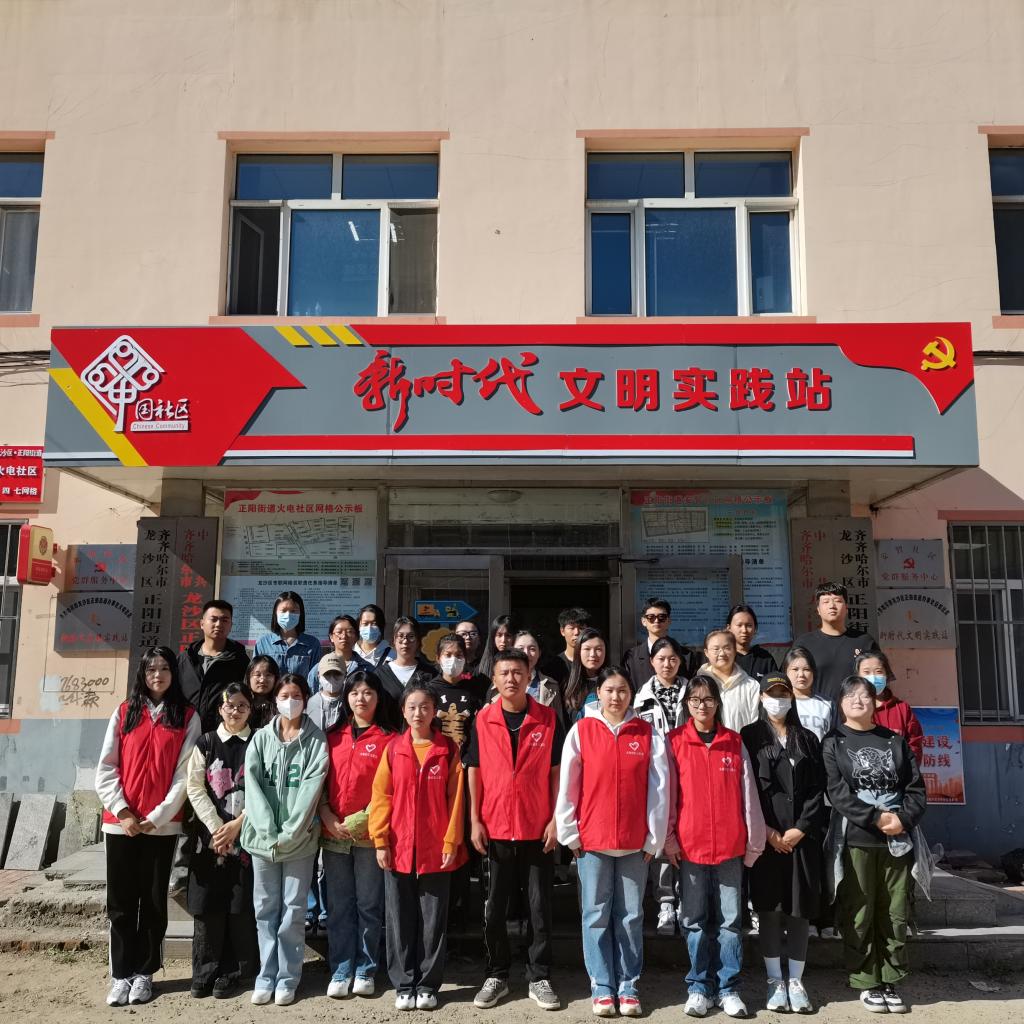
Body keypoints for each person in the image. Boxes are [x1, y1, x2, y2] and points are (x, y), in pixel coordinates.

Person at [556, 667, 669, 1018]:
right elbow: (568, 785)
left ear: (631, 694)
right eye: (609, 690)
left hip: (635, 842)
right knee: (595, 915)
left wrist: (654, 838)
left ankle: (628, 985)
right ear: (599, 693)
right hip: (592, 840)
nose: (616, 697)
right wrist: (569, 833)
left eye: (622, 690)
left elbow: (660, 789)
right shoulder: (582, 730)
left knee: (631, 916)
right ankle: (602, 986)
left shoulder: (647, 733)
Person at [95, 646, 201, 1007]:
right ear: (142, 673)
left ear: (174, 674)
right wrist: (123, 812)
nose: (158, 675)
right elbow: (106, 767)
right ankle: (120, 974)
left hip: (161, 826)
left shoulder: (186, 716)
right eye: (151, 669)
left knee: (153, 900)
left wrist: (157, 817)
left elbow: (184, 775)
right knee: (121, 901)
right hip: (121, 824)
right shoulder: (125, 712)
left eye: (165, 668)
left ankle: (145, 972)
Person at [822, 675, 927, 1015]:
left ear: (875, 702)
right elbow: (837, 792)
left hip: (897, 841)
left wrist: (903, 819)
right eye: (850, 695)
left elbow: (915, 788)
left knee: (895, 912)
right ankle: (866, 980)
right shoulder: (834, 742)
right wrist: (876, 818)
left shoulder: (894, 741)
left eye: (865, 695)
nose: (858, 700)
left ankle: (891, 979)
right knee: (860, 910)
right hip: (856, 839)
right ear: (841, 703)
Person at [467, 649, 564, 1012]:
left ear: (529, 676)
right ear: (494, 679)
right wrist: (475, 820)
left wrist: (556, 818)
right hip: (495, 826)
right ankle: (497, 974)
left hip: (537, 827)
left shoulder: (547, 718)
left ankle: (539, 976)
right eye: (504, 673)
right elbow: (474, 770)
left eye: (518, 672)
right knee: (495, 908)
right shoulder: (483, 719)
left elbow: (557, 772)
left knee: (539, 907)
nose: (511, 678)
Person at [663, 674, 765, 1020]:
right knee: (693, 919)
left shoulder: (733, 742)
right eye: (695, 700)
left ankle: (728, 988)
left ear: (718, 703)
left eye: (708, 699)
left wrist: (753, 842)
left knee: (730, 921)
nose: (702, 706)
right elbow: (667, 795)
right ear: (687, 704)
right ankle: (698, 986)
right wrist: (668, 838)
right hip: (689, 846)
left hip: (729, 846)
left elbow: (748, 796)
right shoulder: (675, 741)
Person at [370, 681, 467, 1011]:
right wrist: (380, 840)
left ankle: (427, 984)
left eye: (425, 707)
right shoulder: (393, 749)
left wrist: (451, 840)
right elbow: (381, 797)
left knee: (433, 919)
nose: (418, 713)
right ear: (403, 711)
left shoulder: (447, 749)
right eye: (412, 707)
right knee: (399, 917)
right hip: (398, 846)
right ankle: (403, 983)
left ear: (434, 711)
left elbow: (456, 800)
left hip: (436, 848)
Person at [740, 673, 827, 1014]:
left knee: (798, 909)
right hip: (766, 839)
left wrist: (801, 829)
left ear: (791, 698)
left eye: (783, 693)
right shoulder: (750, 736)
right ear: (761, 698)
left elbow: (818, 789)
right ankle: (775, 980)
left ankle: (796, 981)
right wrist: (768, 832)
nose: (778, 699)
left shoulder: (807, 738)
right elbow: (747, 788)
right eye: (772, 693)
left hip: (801, 840)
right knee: (770, 909)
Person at [241, 672, 328, 1006]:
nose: (290, 701)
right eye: (284, 696)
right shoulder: (260, 738)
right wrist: (267, 830)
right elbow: (252, 786)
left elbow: (311, 789)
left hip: (300, 840)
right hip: (262, 841)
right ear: (275, 699)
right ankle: (266, 975)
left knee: (293, 910)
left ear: (306, 699)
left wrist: (291, 831)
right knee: (265, 909)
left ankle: (288, 978)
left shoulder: (317, 741)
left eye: (296, 695)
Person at [319, 670, 398, 999]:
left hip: (369, 836)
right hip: (332, 833)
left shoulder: (389, 739)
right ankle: (341, 968)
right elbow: (319, 783)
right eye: (354, 692)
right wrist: (327, 815)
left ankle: (366, 968)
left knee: (368, 905)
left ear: (378, 698)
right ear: (346, 698)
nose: (360, 699)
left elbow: (390, 790)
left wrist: (362, 821)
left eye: (367, 693)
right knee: (339, 905)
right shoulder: (331, 737)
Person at [186, 682, 258, 1000]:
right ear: (220, 709)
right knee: (207, 904)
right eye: (230, 705)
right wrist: (218, 828)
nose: (235, 711)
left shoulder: (258, 741)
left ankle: (233, 972)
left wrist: (238, 825)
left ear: (250, 709)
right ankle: (204, 971)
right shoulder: (206, 742)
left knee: (239, 906)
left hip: (246, 834)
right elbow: (194, 787)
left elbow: (265, 787)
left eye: (242, 705)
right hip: (210, 837)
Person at [633, 635, 689, 935]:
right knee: (659, 832)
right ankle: (666, 901)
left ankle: (686, 899)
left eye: (672, 659)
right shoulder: (640, 698)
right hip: (656, 772)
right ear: (652, 662)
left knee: (686, 832)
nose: (667, 664)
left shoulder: (692, 691)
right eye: (661, 659)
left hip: (689, 769)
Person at [793, 583, 880, 703]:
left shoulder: (864, 641)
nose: (832, 606)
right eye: (826, 602)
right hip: (816, 710)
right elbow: (791, 680)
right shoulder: (804, 643)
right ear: (818, 609)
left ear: (846, 607)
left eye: (838, 601)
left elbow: (879, 678)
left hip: (856, 708)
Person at [179, 600, 251, 732]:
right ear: (202, 623)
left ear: (231, 625)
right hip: (185, 732)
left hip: (222, 734)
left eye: (224, 620)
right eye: (213, 619)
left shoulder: (240, 660)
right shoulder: (186, 659)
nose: (219, 624)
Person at [854, 650, 925, 764]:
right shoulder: (851, 709)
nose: (873, 677)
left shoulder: (902, 709)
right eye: (866, 672)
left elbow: (914, 745)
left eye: (878, 671)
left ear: (887, 675)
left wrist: (906, 771)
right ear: (857, 676)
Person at [697, 629, 760, 732]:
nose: (722, 653)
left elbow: (755, 724)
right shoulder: (697, 686)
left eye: (727, 648)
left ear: (735, 651)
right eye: (716, 649)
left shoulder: (751, 686)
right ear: (706, 652)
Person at [254, 591, 323, 680]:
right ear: (275, 613)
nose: (288, 615)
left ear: (301, 614)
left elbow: (314, 678)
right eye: (283, 611)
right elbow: (254, 675)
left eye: (293, 611)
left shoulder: (312, 643)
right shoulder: (263, 643)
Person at [375, 616, 435, 709]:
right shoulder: (380, 674)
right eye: (400, 636)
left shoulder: (430, 674)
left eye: (411, 636)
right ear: (394, 640)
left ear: (418, 641)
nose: (405, 641)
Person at [510, 629, 565, 727]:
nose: (526, 653)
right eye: (520, 649)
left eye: (532, 649)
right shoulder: (501, 684)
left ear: (539, 653)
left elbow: (558, 725)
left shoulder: (551, 686)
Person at [307, 615, 368, 693]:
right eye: (339, 632)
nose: (344, 636)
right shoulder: (319, 668)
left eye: (349, 632)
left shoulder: (366, 668)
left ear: (356, 637)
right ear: (331, 637)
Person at [783, 647, 832, 740]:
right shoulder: (780, 702)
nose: (801, 674)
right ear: (786, 672)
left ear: (813, 672)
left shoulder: (827, 703)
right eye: (795, 669)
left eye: (806, 669)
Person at [562, 626, 608, 722]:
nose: (593, 654)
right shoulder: (567, 685)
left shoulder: (613, 682)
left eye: (598, 649)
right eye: (587, 649)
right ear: (578, 652)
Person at [725, 604, 776, 684]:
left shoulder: (765, 658)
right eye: (739, 625)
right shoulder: (724, 657)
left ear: (755, 629)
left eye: (749, 625)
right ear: (729, 628)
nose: (744, 630)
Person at [544, 606, 591, 686]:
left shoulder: (593, 661)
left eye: (581, 628)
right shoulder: (553, 665)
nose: (577, 632)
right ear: (562, 631)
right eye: (572, 628)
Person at [306, 653, 350, 735]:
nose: (332, 678)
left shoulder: (349, 703)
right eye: (327, 674)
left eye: (337, 674)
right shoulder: (310, 704)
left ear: (345, 675)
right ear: (319, 675)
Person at [478, 614, 518, 680]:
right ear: (493, 637)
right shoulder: (483, 665)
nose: (503, 640)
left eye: (508, 635)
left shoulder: (519, 664)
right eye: (499, 635)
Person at [246, 655, 279, 729]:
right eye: (257, 675)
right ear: (248, 677)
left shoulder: (280, 706)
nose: (262, 680)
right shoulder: (240, 704)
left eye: (268, 675)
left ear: (275, 679)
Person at [355, 603, 392, 667]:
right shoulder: (352, 651)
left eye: (374, 624)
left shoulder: (391, 655)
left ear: (381, 626)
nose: (369, 628)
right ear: (359, 625)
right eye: (365, 623)